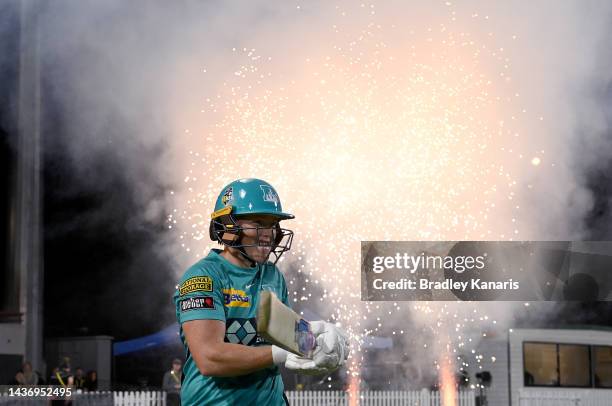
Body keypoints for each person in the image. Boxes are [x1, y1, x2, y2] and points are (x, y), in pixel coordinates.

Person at [174, 178, 349, 405]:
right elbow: (210, 358)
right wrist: (282, 354)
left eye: (273, 224)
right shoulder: (203, 277)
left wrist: (317, 339)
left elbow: (287, 337)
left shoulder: (273, 276)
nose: (269, 233)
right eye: (258, 223)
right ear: (227, 226)